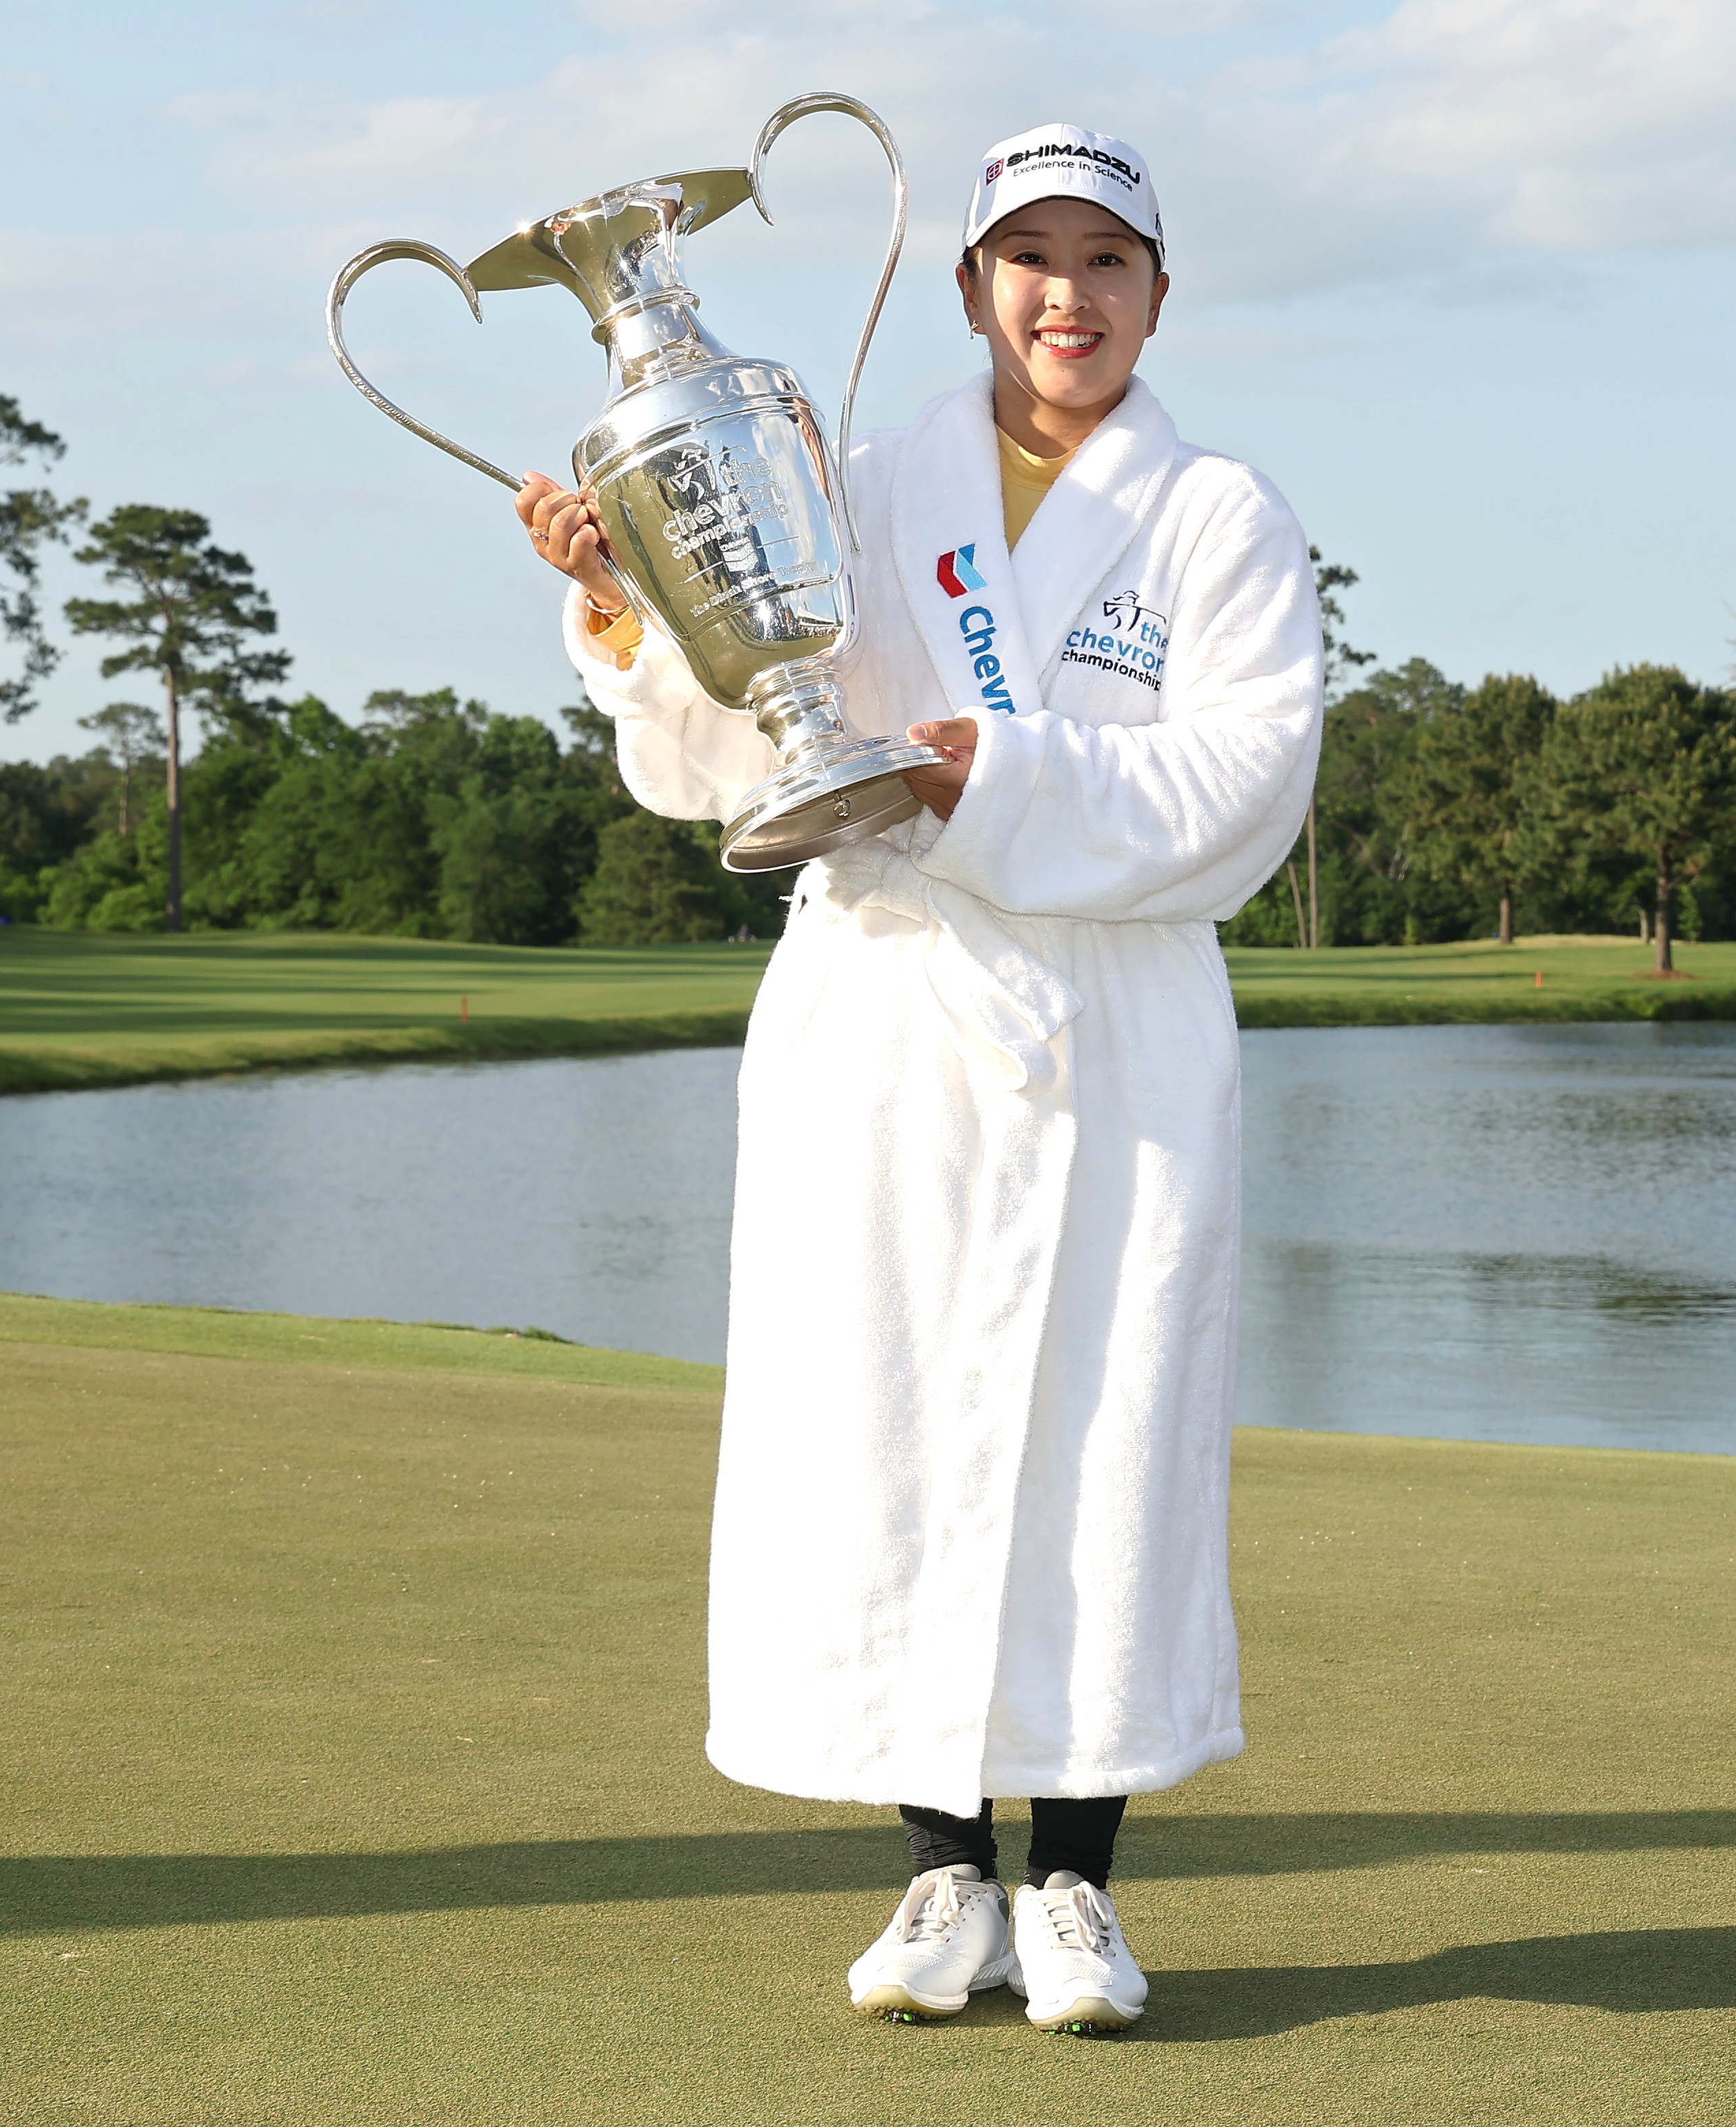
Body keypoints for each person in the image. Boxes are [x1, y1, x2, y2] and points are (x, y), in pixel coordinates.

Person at [512, 120, 1322, 2034]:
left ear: (1154, 294)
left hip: (1117, 1036)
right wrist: (632, 608)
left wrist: (992, 771)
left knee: (1101, 1445)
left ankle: (1078, 1895)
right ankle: (940, 1874)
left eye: (1103, 262)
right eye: (1027, 260)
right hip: (882, 1016)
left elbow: (1240, 798)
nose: (1067, 295)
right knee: (883, 1430)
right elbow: (729, 766)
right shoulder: (853, 487)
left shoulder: (1220, 518)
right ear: (970, 289)